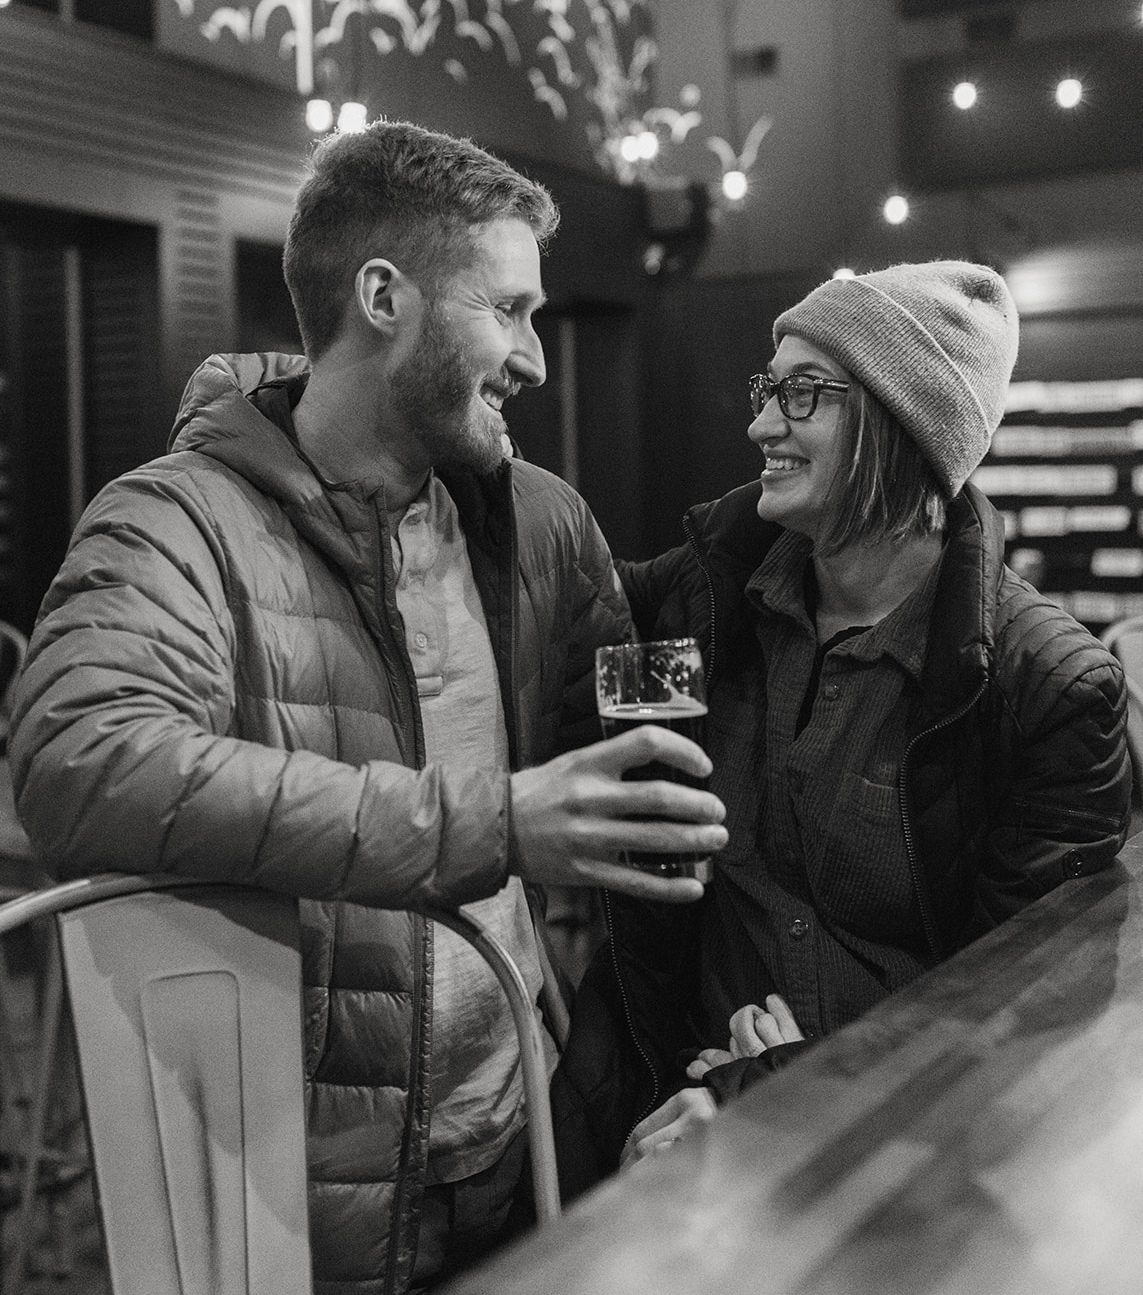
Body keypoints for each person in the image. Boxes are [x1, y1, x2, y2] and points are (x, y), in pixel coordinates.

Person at [7, 119, 728, 1293]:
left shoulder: (537, 520)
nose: (537, 360)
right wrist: (492, 820)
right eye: (508, 310)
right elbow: (80, 761)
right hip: (292, 1190)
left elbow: (642, 788)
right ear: (382, 296)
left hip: (520, 1135)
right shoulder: (174, 518)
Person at [551, 259, 1130, 1192]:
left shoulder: (1049, 689)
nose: (760, 424)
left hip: (899, 1165)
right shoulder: (707, 589)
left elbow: (1023, 1017)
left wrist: (774, 1082)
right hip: (658, 1104)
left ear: (904, 428)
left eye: (802, 393)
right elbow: (548, 589)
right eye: (765, 388)